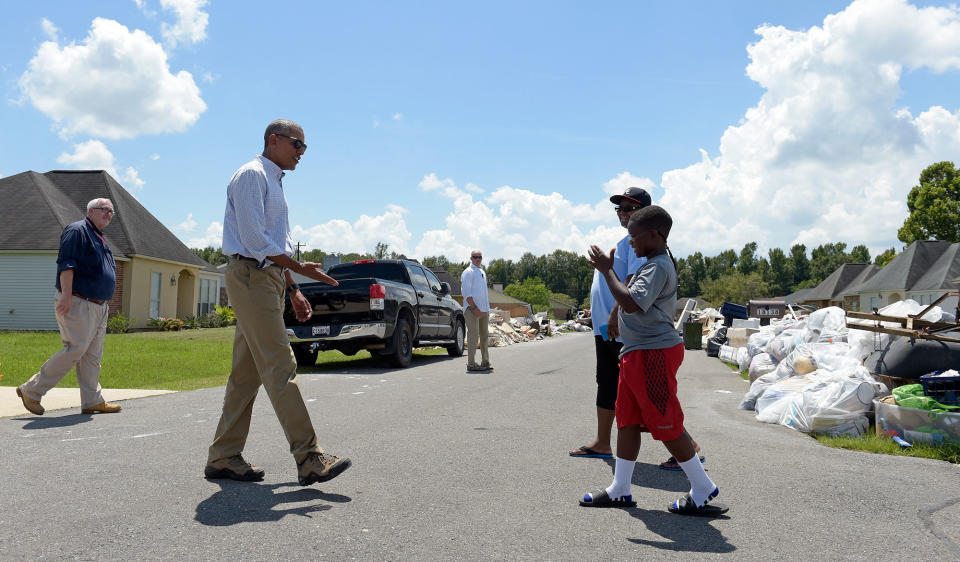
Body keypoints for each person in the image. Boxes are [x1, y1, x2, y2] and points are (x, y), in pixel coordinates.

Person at [205, 119, 352, 486]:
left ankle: (223, 455)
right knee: (280, 365)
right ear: (274, 140)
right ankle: (309, 457)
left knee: (246, 373)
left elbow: (275, 244)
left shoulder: (274, 180)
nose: (301, 153)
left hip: (266, 277)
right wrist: (298, 268)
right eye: (297, 145)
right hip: (251, 275)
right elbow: (255, 240)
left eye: (304, 147)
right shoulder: (251, 175)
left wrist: (293, 286)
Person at [579, 205, 727, 516]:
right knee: (628, 420)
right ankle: (621, 488)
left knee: (666, 422)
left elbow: (632, 303)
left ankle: (702, 487)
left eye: (635, 236)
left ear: (655, 235)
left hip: (653, 354)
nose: (630, 241)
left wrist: (607, 269)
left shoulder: (658, 266)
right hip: (636, 352)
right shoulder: (651, 264)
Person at [16, 199, 123, 416]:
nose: (109, 214)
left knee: (92, 356)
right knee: (75, 349)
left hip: (98, 306)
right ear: (91, 210)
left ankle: (92, 400)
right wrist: (66, 296)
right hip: (77, 301)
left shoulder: (99, 236)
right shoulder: (77, 231)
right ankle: (31, 390)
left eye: (112, 212)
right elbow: (67, 264)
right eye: (104, 210)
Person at [569, 187, 650, 459]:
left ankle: (688, 448)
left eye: (628, 208)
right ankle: (603, 442)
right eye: (619, 208)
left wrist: (615, 313)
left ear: (644, 212)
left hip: (620, 327)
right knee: (606, 382)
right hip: (606, 328)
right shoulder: (627, 241)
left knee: (640, 388)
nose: (622, 213)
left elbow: (633, 282)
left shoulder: (639, 242)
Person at [460, 249, 492, 372]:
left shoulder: (482, 271)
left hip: (484, 309)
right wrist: (474, 308)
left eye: (479, 257)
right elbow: (466, 293)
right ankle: (471, 364)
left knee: (484, 336)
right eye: (475, 257)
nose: (477, 259)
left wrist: (486, 309)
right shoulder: (468, 272)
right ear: (471, 258)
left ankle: (485, 362)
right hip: (472, 309)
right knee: (473, 336)